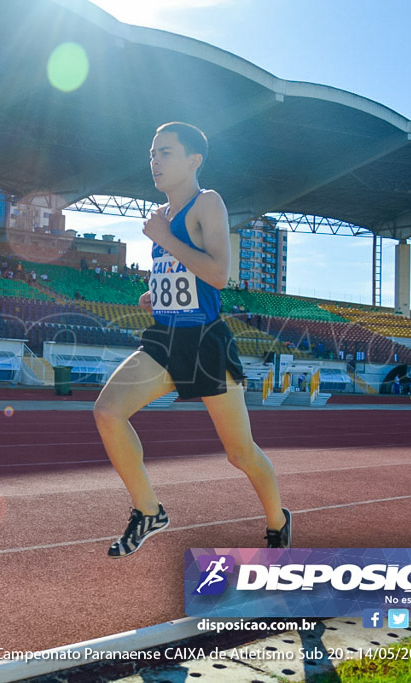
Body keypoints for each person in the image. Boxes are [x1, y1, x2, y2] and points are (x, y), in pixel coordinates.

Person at [93, 122, 290, 558]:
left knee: (240, 454)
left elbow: (219, 274)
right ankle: (149, 511)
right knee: (107, 412)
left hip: (204, 341)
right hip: (164, 337)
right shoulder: (160, 216)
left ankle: (278, 519)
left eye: (164, 152)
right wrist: (155, 291)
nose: (154, 162)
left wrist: (164, 240)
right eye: (151, 154)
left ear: (193, 160)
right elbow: (186, 273)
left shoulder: (207, 203)